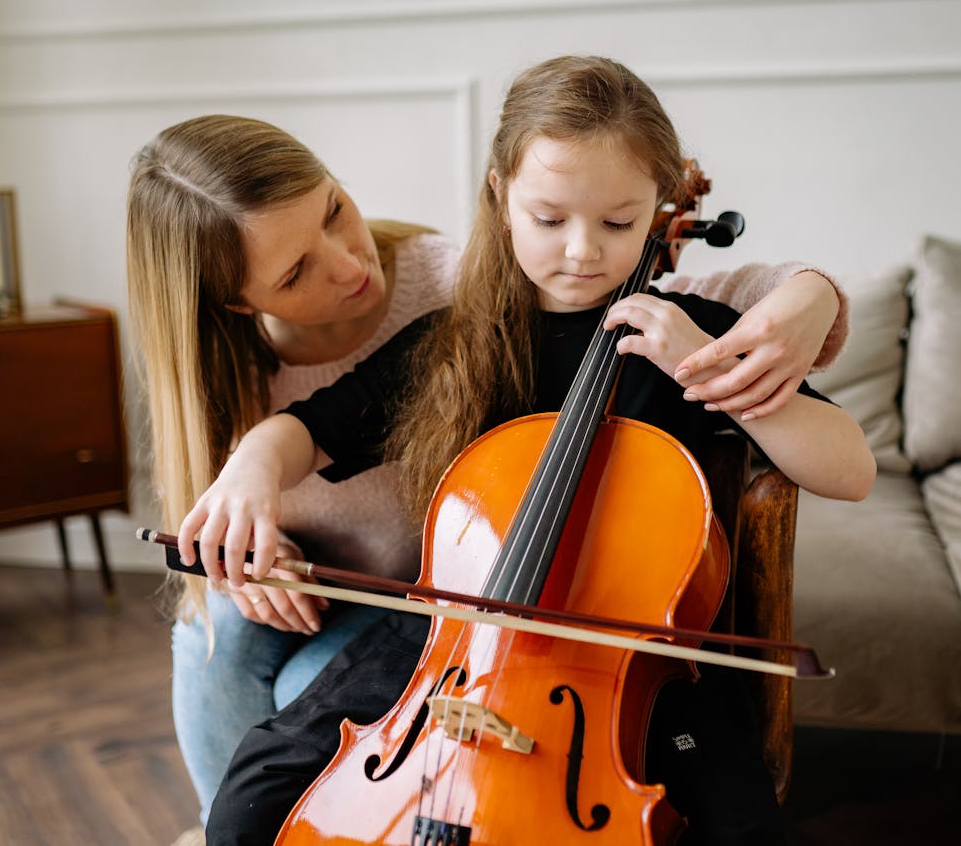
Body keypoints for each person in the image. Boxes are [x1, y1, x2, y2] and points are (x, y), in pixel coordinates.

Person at [183, 56, 875, 844]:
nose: (582, 251)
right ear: (500, 196)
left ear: (660, 211)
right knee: (258, 784)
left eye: (617, 223)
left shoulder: (687, 335)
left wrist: (705, 368)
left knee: (735, 821)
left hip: (637, 661)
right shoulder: (452, 342)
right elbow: (304, 429)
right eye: (550, 219)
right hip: (453, 632)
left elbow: (850, 468)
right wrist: (251, 467)